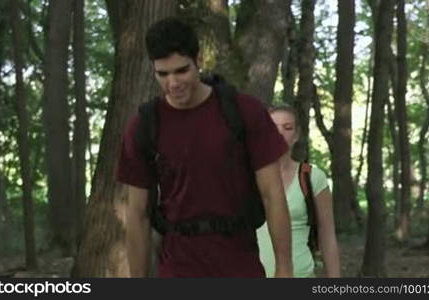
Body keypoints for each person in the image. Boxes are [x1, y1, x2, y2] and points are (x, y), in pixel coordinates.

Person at [116, 17, 293, 278]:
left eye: (181, 70)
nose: (173, 83)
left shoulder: (244, 111)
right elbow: (137, 215)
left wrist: (285, 269)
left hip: (240, 265)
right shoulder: (144, 126)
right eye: (162, 74)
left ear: (198, 60)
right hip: (178, 267)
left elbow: (273, 195)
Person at [257, 106, 341, 278]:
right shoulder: (246, 176)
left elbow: (327, 236)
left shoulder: (311, 177)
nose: (279, 133)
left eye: (287, 128)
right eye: (273, 127)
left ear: (296, 136)